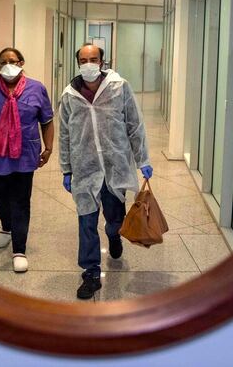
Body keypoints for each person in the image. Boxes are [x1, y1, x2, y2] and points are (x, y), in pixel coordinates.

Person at [59, 43, 153, 299]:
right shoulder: (69, 95)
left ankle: (114, 237)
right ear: (77, 62)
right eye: (83, 59)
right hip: (84, 168)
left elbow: (134, 123)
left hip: (115, 166)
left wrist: (142, 157)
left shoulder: (119, 87)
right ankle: (90, 272)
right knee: (86, 221)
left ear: (102, 61)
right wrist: (66, 168)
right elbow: (65, 134)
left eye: (93, 59)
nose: (88, 63)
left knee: (115, 221)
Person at [0, 47, 54, 273]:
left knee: (21, 201)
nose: (8, 65)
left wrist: (49, 147)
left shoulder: (37, 89)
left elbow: (46, 120)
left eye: (13, 61)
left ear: (22, 63)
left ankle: (19, 249)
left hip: (25, 154)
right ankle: (6, 227)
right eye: (3, 61)